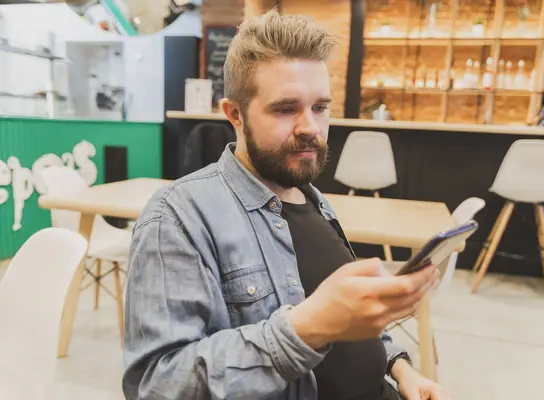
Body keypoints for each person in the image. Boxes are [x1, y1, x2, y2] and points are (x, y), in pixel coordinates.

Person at [123, 10, 451, 400]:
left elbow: (347, 319)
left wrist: (399, 368)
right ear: (235, 114)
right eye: (285, 109)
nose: (310, 127)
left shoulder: (312, 198)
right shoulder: (178, 218)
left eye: (320, 107)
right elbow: (156, 385)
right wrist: (307, 328)